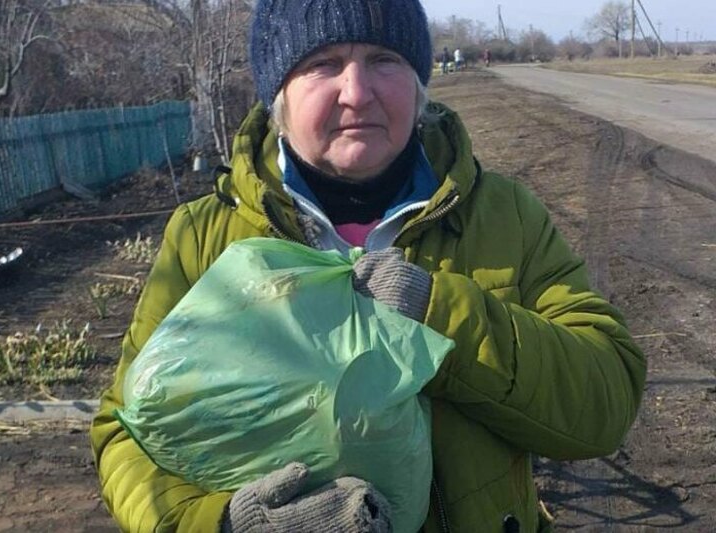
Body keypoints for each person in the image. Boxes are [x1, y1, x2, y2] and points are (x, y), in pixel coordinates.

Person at [90, 0, 647, 531]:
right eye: (323, 64)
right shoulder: (206, 236)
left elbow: (605, 402)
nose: (357, 93)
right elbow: (127, 433)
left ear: (419, 85)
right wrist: (223, 524)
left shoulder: (503, 216)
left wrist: (437, 314)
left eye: (384, 60)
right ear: (278, 95)